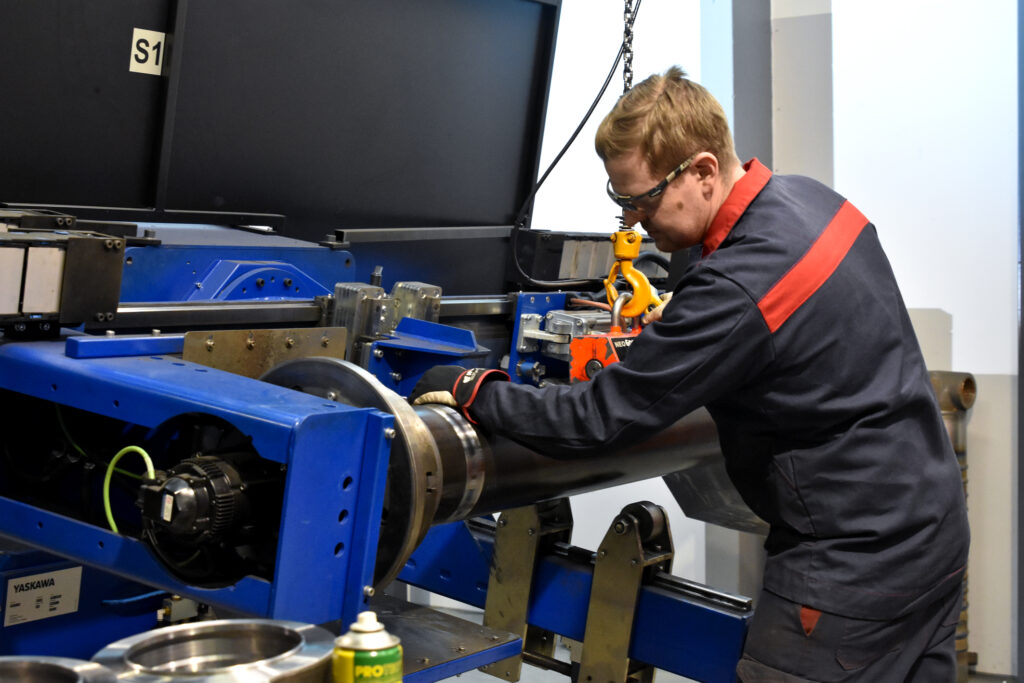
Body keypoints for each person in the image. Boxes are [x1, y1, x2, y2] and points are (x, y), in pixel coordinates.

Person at [410, 66, 969, 682]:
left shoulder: (737, 287)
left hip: (851, 567)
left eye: (643, 200)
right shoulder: (814, 202)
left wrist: (473, 386)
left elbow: (593, 421)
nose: (632, 221)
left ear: (703, 171)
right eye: (620, 201)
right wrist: (692, 317)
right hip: (931, 528)